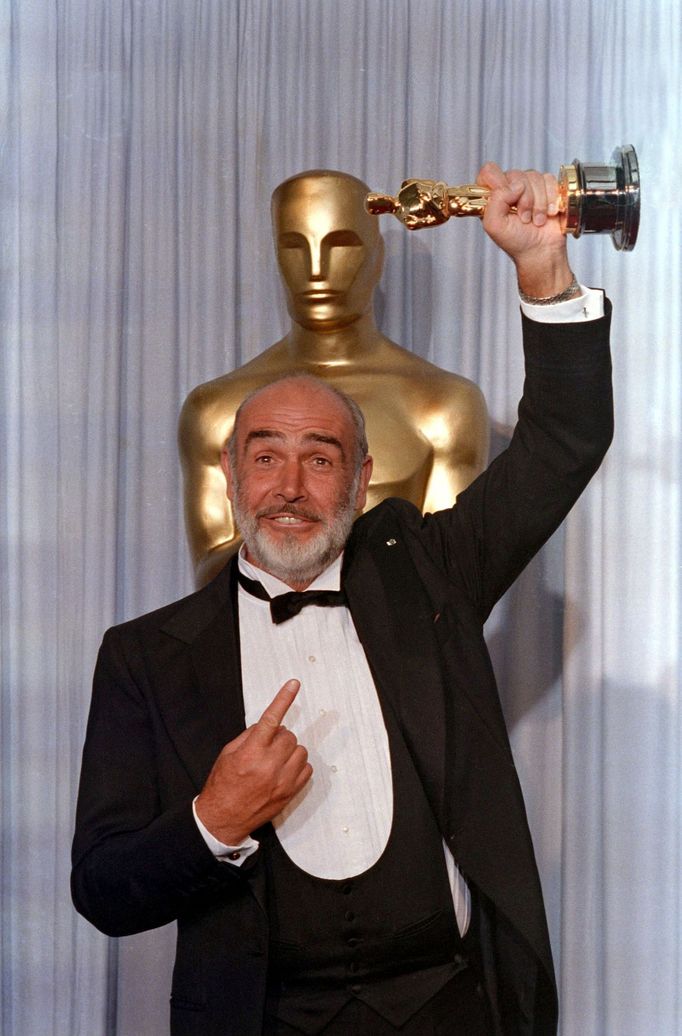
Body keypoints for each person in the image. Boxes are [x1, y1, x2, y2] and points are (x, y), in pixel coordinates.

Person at [71, 162, 613, 1036]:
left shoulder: (428, 579)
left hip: (451, 1008)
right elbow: (102, 889)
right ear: (227, 474)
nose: (289, 484)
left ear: (360, 483)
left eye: (320, 457)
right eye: (265, 454)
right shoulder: (143, 656)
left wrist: (541, 269)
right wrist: (213, 820)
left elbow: (563, 441)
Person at [178, 169, 489, 588]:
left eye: (341, 244)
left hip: (389, 649)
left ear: (376, 257)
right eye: (293, 246)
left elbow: (448, 581)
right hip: (255, 645)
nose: (316, 269)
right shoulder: (215, 409)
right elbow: (209, 583)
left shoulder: (442, 405)